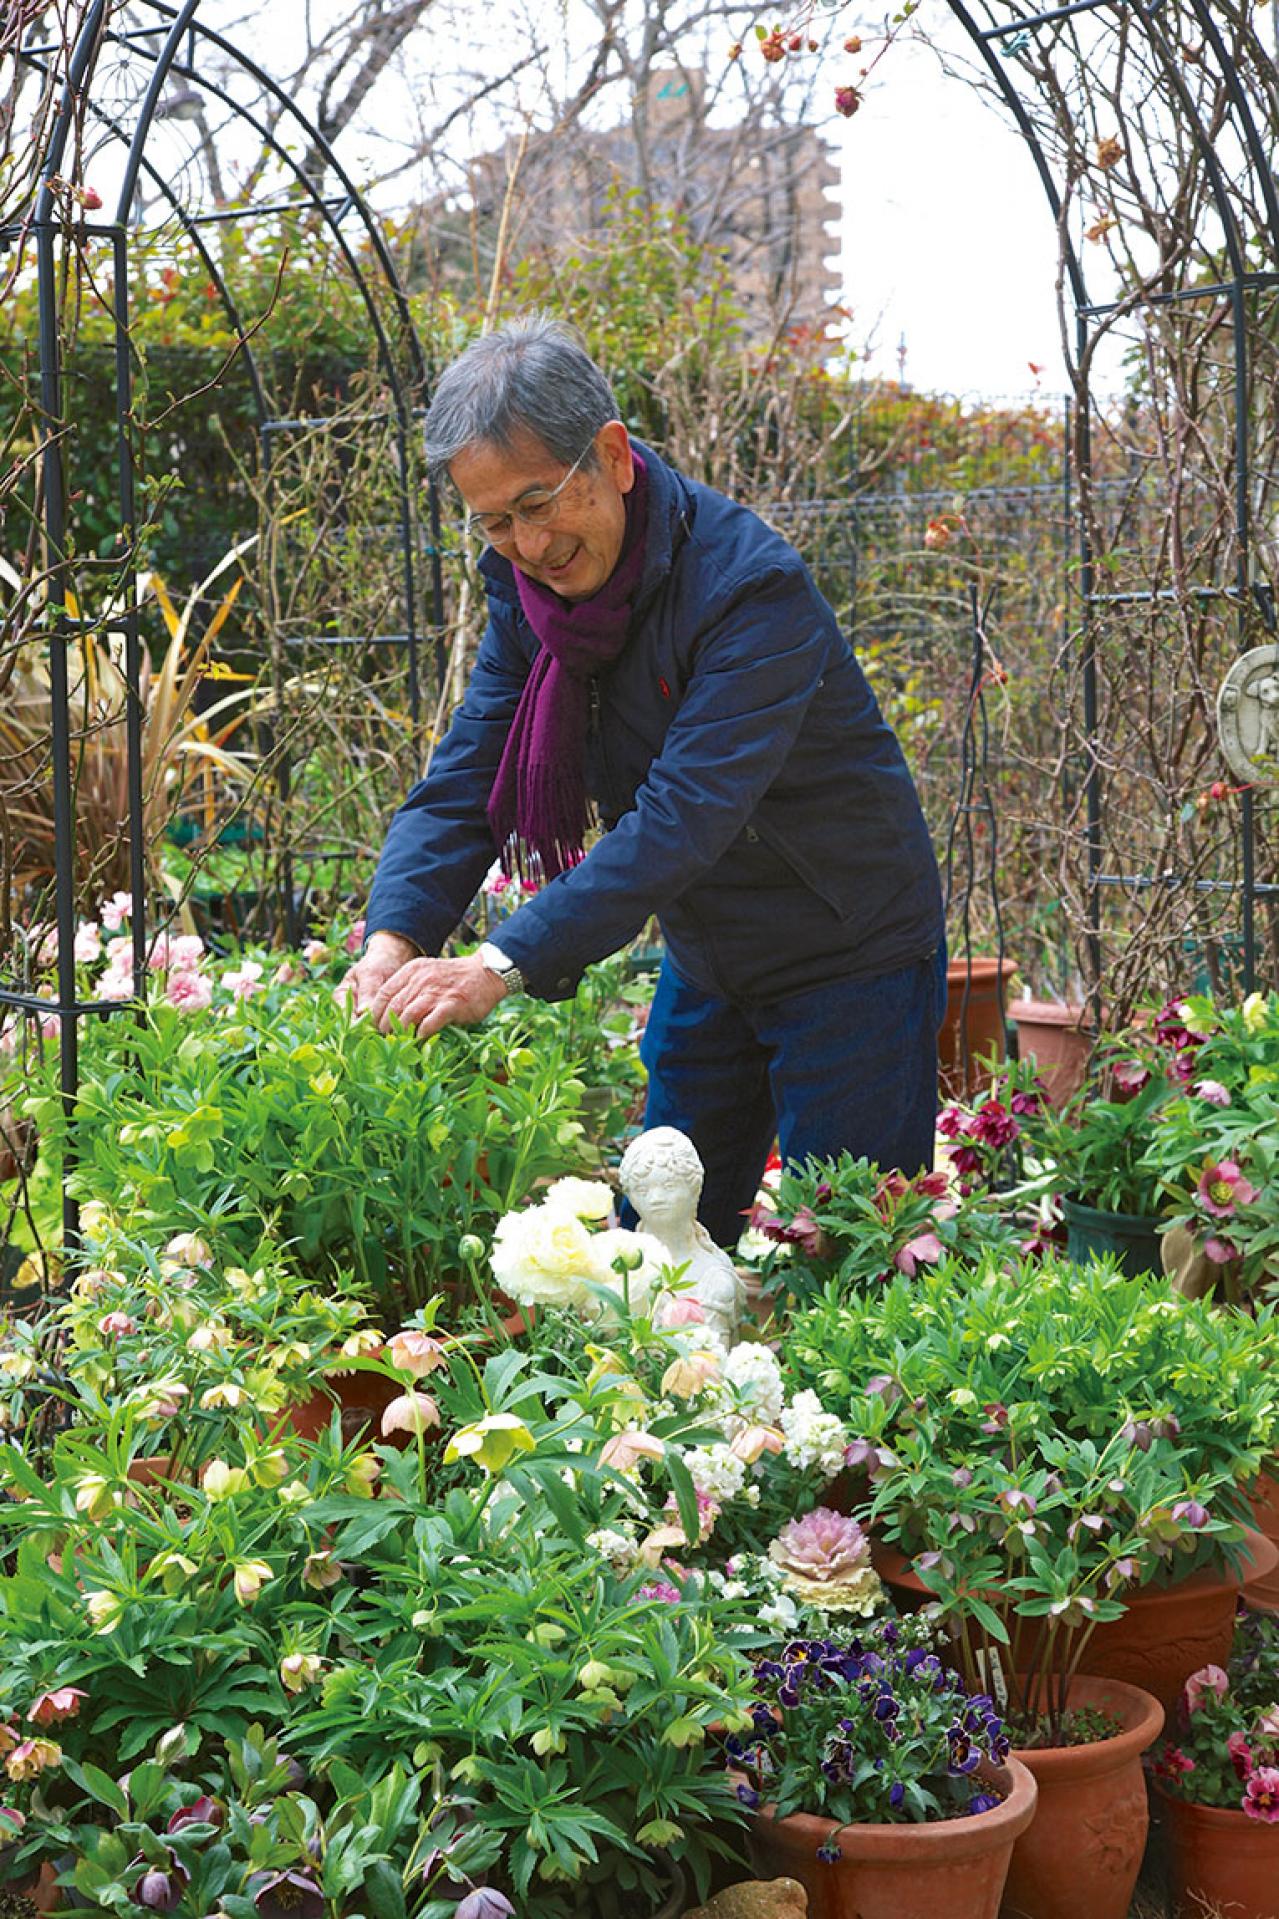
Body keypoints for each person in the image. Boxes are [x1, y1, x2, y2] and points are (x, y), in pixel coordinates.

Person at [343, 316, 946, 1246]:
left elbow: (683, 815)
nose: (528, 543)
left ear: (614, 457)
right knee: (655, 1251)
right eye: (494, 521)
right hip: (711, 955)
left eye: (539, 501)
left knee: (849, 1254)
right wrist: (392, 939)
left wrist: (495, 965)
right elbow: (464, 780)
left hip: (847, 951)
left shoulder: (749, 589)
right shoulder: (528, 603)